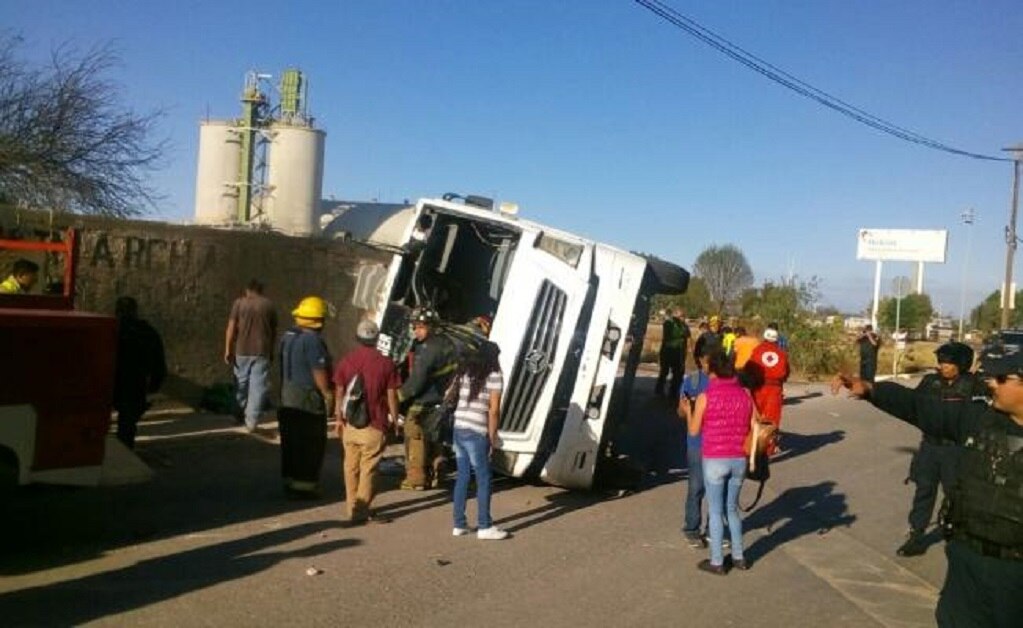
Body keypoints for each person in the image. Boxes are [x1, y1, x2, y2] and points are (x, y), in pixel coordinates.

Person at [832, 343, 1023, 627]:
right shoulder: (983, 420)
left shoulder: (976, 399)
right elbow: (917, 406)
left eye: (1002, 378)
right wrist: (871, 390)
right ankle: (916, 532)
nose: (992, 383)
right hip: (966, 563)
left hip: (1013, 574)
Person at [897, 341, 985, 557]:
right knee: (923, 490)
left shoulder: (975, 386)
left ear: (961, 364)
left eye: (948, 363)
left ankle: (957, 532)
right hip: (930, 447)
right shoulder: (930, 382)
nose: (942, 366)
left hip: (956, 451)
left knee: (955, 494)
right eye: (941, 362)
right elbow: (914, 405)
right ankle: (916, 535)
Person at [689, 350, 755, 574]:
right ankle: (739, 557)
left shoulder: (705, 397)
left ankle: (717, 561)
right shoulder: (745, 394)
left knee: (715, 511)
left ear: (713, 371)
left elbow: (694, 430)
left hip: (715, 458)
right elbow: (754, 424)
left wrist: (688, 411)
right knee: (732, 509)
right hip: (739, 459)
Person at [333, 320, 400, 525]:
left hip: (350, 424)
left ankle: (351, 508)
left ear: (358, 338)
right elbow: (392, 395)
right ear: (377, 339)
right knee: (369, 468)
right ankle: (360, 511)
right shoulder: (386, 364)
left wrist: (338, 418)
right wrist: (395, 419)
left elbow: (339, 392)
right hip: (375, 423)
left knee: (350, 467)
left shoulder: (347, 361)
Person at [450, 340, 509, 540]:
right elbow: (494, 410)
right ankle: (485, 526)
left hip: (459, 427)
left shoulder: (467, 372)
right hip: (476, 431)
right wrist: (492, 437)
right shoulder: (495, 376)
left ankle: (459, 524)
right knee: (483, 478)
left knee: (463, 476)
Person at [277, 296, 333, 499]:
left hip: (288, 395)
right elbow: (318, 370)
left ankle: (291, 480)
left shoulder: (288, 336)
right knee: (310, 441)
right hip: (307, 398)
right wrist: (327, 394)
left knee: (291, 440)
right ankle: (305, 486)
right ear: (318, 320)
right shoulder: (312, 341)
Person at [398, 307, 456, 490]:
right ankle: (438, 473)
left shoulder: (427, 349)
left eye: (420, 327)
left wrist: (398, 397)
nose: (416, 331)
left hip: (423, 403)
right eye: (414, 327)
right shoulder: (447, 343)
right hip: (442, 402)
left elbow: (416, 382)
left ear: (431, 326)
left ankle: (416, 480)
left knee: (415, 438)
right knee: (435, 440)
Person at [112, 297, 167, 449]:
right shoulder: (147, 332)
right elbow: (159, 364)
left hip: (111, 381)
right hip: (135, 383)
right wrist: (153, 387)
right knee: (127, 426)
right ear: (135, 311)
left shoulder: (110, 330)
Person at [224, 279, 278, 432]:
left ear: (247, 290)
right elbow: (273, 332)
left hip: (242, 350)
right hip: (262, 351)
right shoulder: (269, 305)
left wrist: (228, 349)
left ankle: (237, 415)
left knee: (240, 383)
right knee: (258, 386)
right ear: (261, 290)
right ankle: (252, 421)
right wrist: (271, 350)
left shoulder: (239, 303)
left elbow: (231, 328)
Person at [678, 352, 711, 548]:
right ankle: (692, 528)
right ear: (700, 359)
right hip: (697, 444)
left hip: (720, 445)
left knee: (718, 490)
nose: (709, 365)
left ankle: (714, 530)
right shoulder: (692, 381)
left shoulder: (729, 382)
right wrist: (686, 409)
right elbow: (680, 412)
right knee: (697, 487)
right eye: (706, 360)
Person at [743, 329, 790, 457]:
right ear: (776, 339)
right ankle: (768, 449)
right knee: (772, 420)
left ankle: (750, 446)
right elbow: (786, 373)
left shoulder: (757, 351)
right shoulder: (782, 353)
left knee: (753, 417)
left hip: (758, 387)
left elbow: (748, 369)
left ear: (764, 338)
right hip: (775, 389)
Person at [655, 308, 690, 399]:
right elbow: (672, 334)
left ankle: (673, 393)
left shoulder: (684, 325)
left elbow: (688, 335)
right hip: (668, 352)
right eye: (680, 316)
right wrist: (680, 327)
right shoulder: (669, 323)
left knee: (678, 374)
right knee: (664, 372)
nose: (682, 318)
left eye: (683, 316)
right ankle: (659, 391)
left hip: (679, 354)